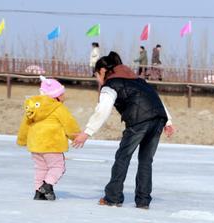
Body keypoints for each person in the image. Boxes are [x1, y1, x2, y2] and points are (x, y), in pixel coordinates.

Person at [71, 51, 176, 209]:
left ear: (102, 71)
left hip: (139, 121)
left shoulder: (111, 84)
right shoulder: (139, 80)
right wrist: (167, 121)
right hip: (158, 119)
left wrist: (87, 132)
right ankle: (143, 201)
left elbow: (103, 109)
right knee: (146, 160)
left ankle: (112, 198)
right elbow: (155, 97)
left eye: (97, 76)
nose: (98, 80)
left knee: (123, 156)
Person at [17, 76, 81, 200]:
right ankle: (47, 186)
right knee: (58, 167)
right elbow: (69, 123)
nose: (64, 97)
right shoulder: (58, 107)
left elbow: (25, 124)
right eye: (62, 94)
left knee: (41, 168)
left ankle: (38, 192)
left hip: (35, 145)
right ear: (55, 96)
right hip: (53, 144)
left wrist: (22, 139)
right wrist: (76, 136)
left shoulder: (33, 108)